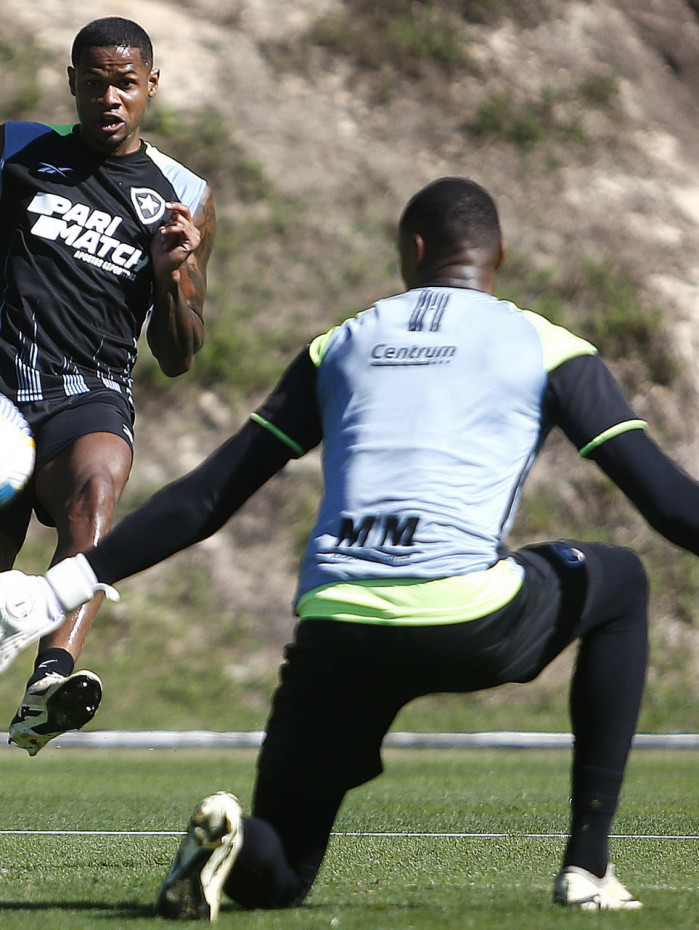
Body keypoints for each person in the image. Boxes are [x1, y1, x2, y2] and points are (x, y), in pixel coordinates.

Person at [1, 176, 696, 916]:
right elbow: (665, 501)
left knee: (281, 873)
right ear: (499, 255)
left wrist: (54, 589)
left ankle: (233, 842)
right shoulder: (549, 347)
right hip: (466, 618)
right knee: (621, 579)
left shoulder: (342, 343)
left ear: (413, 251)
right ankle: (587, 868)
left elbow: (207, 496)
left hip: (336, 627)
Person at [0, 16, 215, 755]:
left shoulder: (183, 195)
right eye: (93, 84)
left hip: (88, 395)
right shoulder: (16, 149)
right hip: (3, 393)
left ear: (151, 84)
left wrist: (172, 276)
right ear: (72, 84)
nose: (109, 98)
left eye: (124, 83)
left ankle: (48, 684)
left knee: (98, 486)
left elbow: (179, 356)